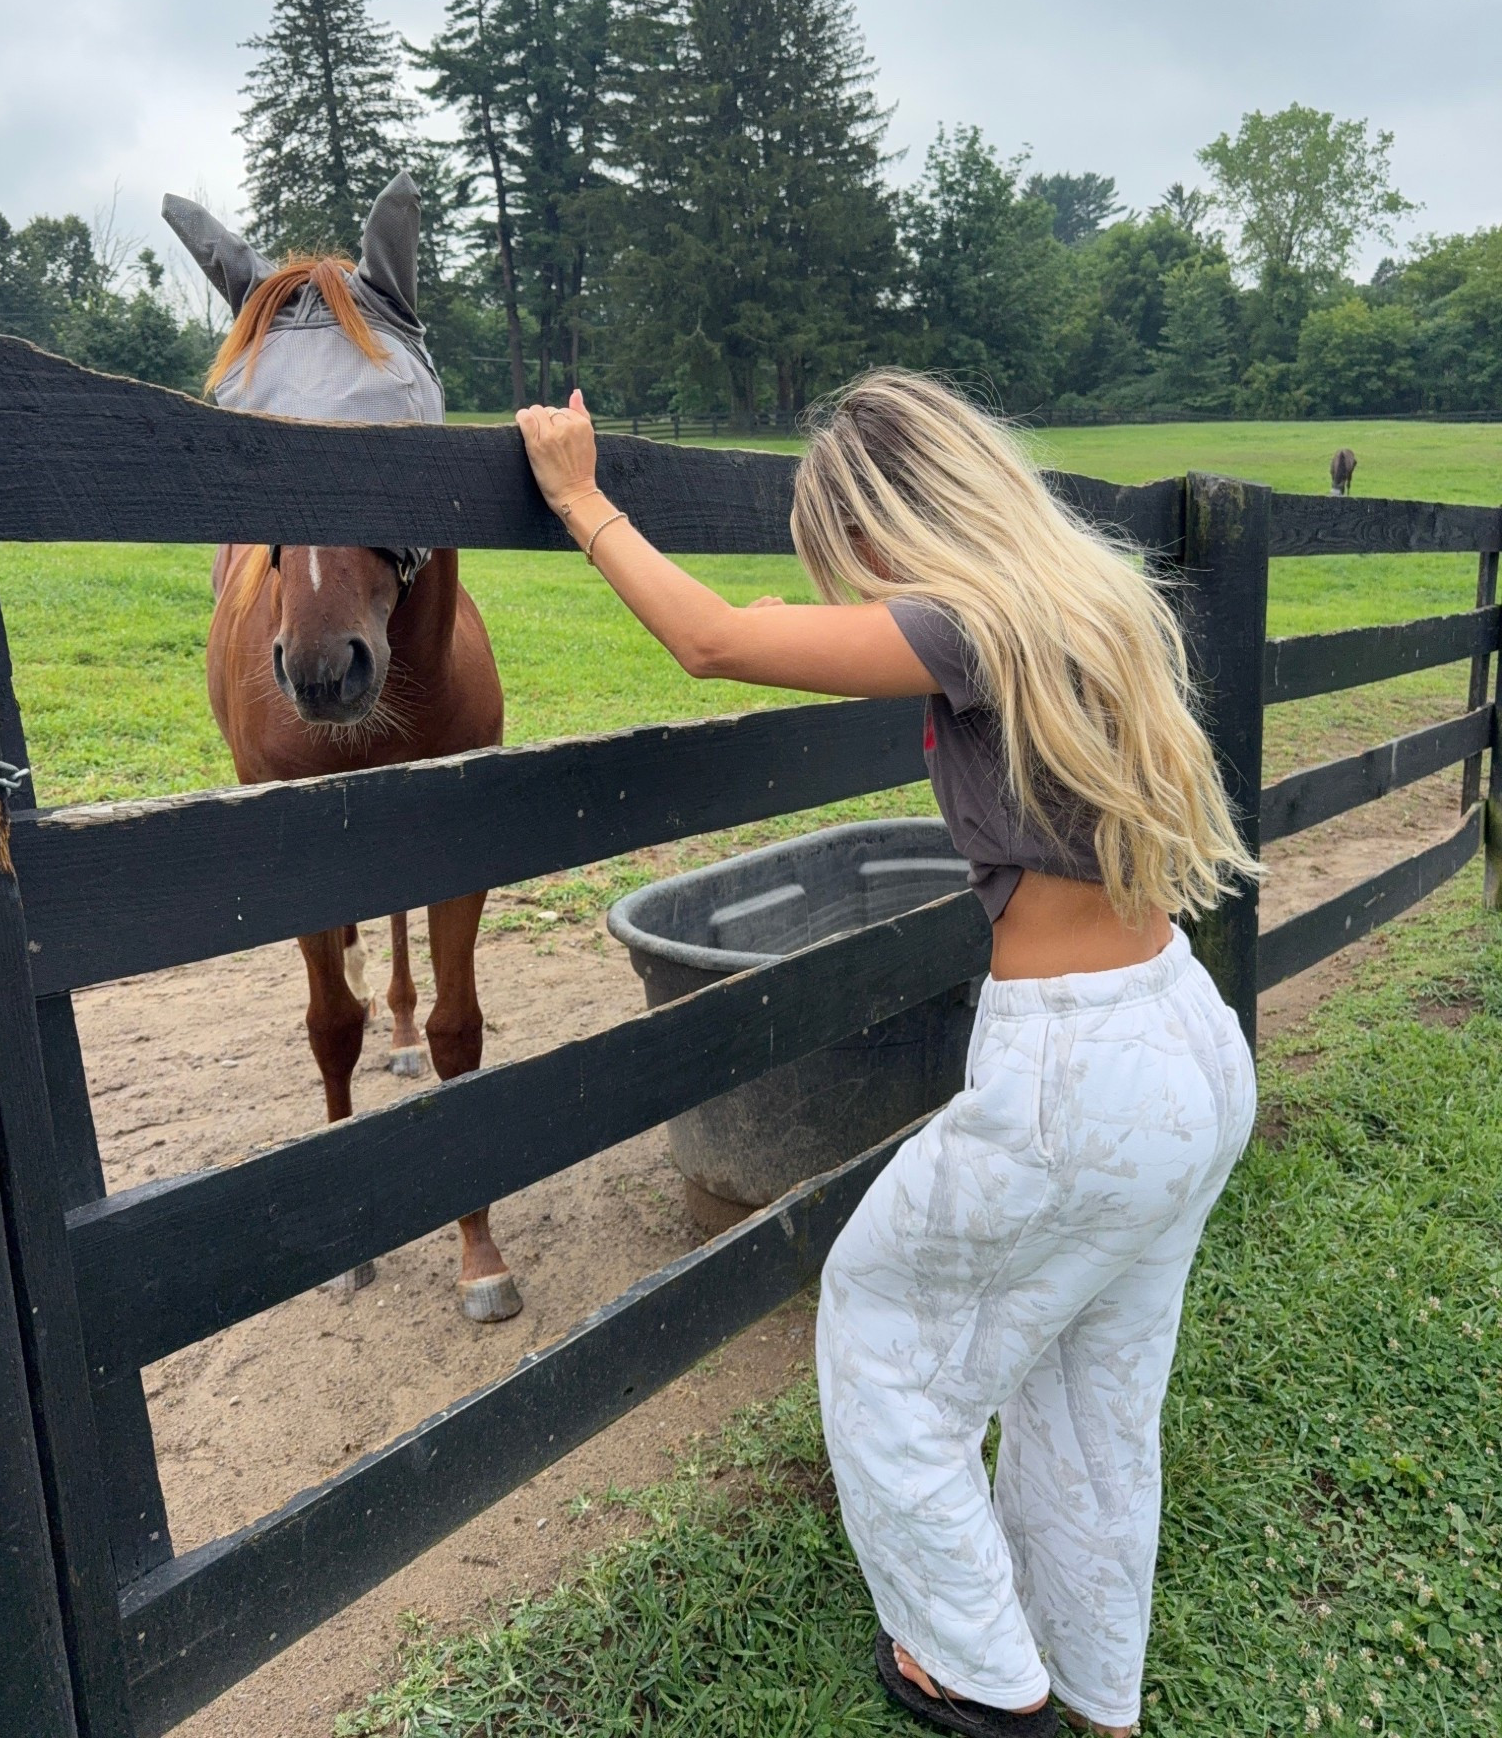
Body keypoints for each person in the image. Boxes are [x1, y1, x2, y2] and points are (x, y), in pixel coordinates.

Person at [515, 370, 1257, 1738]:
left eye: (843, 556)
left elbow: (719, 642)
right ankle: (1095, 1700)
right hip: (1186, 1041)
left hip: (1076, 1079)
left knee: (887, 1334)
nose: (851, 589)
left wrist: (579, 499)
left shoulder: (972, 620)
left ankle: (976, 1678)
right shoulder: (1092, 597)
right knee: (1095, 1403)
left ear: (883, 523)